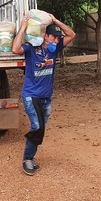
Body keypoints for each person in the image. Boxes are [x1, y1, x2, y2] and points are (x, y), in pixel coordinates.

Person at [12, 13, 76, 176]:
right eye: (53, 37)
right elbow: (15, 49)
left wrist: (55, 21)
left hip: (46, 97)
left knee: (40, 129)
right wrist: (23, 27)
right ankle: (27, 159)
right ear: (44, 36)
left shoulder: (55, 51)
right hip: (31, 95)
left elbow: (71, 34)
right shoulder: (32, 49)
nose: (56, 40)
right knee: (37, 127)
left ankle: (31, 158)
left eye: (57, 38)